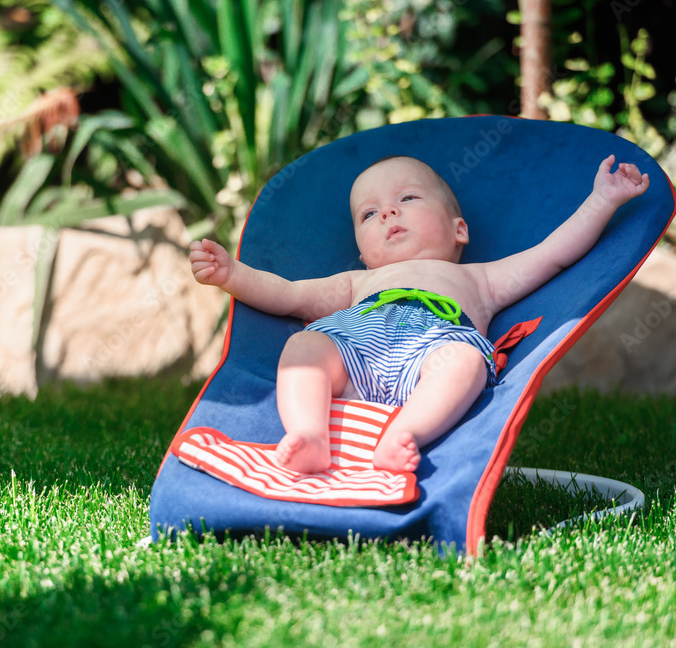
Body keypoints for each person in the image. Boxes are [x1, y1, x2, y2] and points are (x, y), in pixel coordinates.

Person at [189, 155, 649, 474]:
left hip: (433, 353)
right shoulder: (358, 282)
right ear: (364, 254)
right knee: (304, 346)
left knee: (464, 364)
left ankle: (403, 434)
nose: (388, 211)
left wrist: (602, 200)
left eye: (407, 199)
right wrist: (232, 274)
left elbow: (553, 254)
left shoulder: (481, 279)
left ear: (459, 230)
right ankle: (309, 434)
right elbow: (287, 294)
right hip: (355, 354)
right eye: (369, 214)